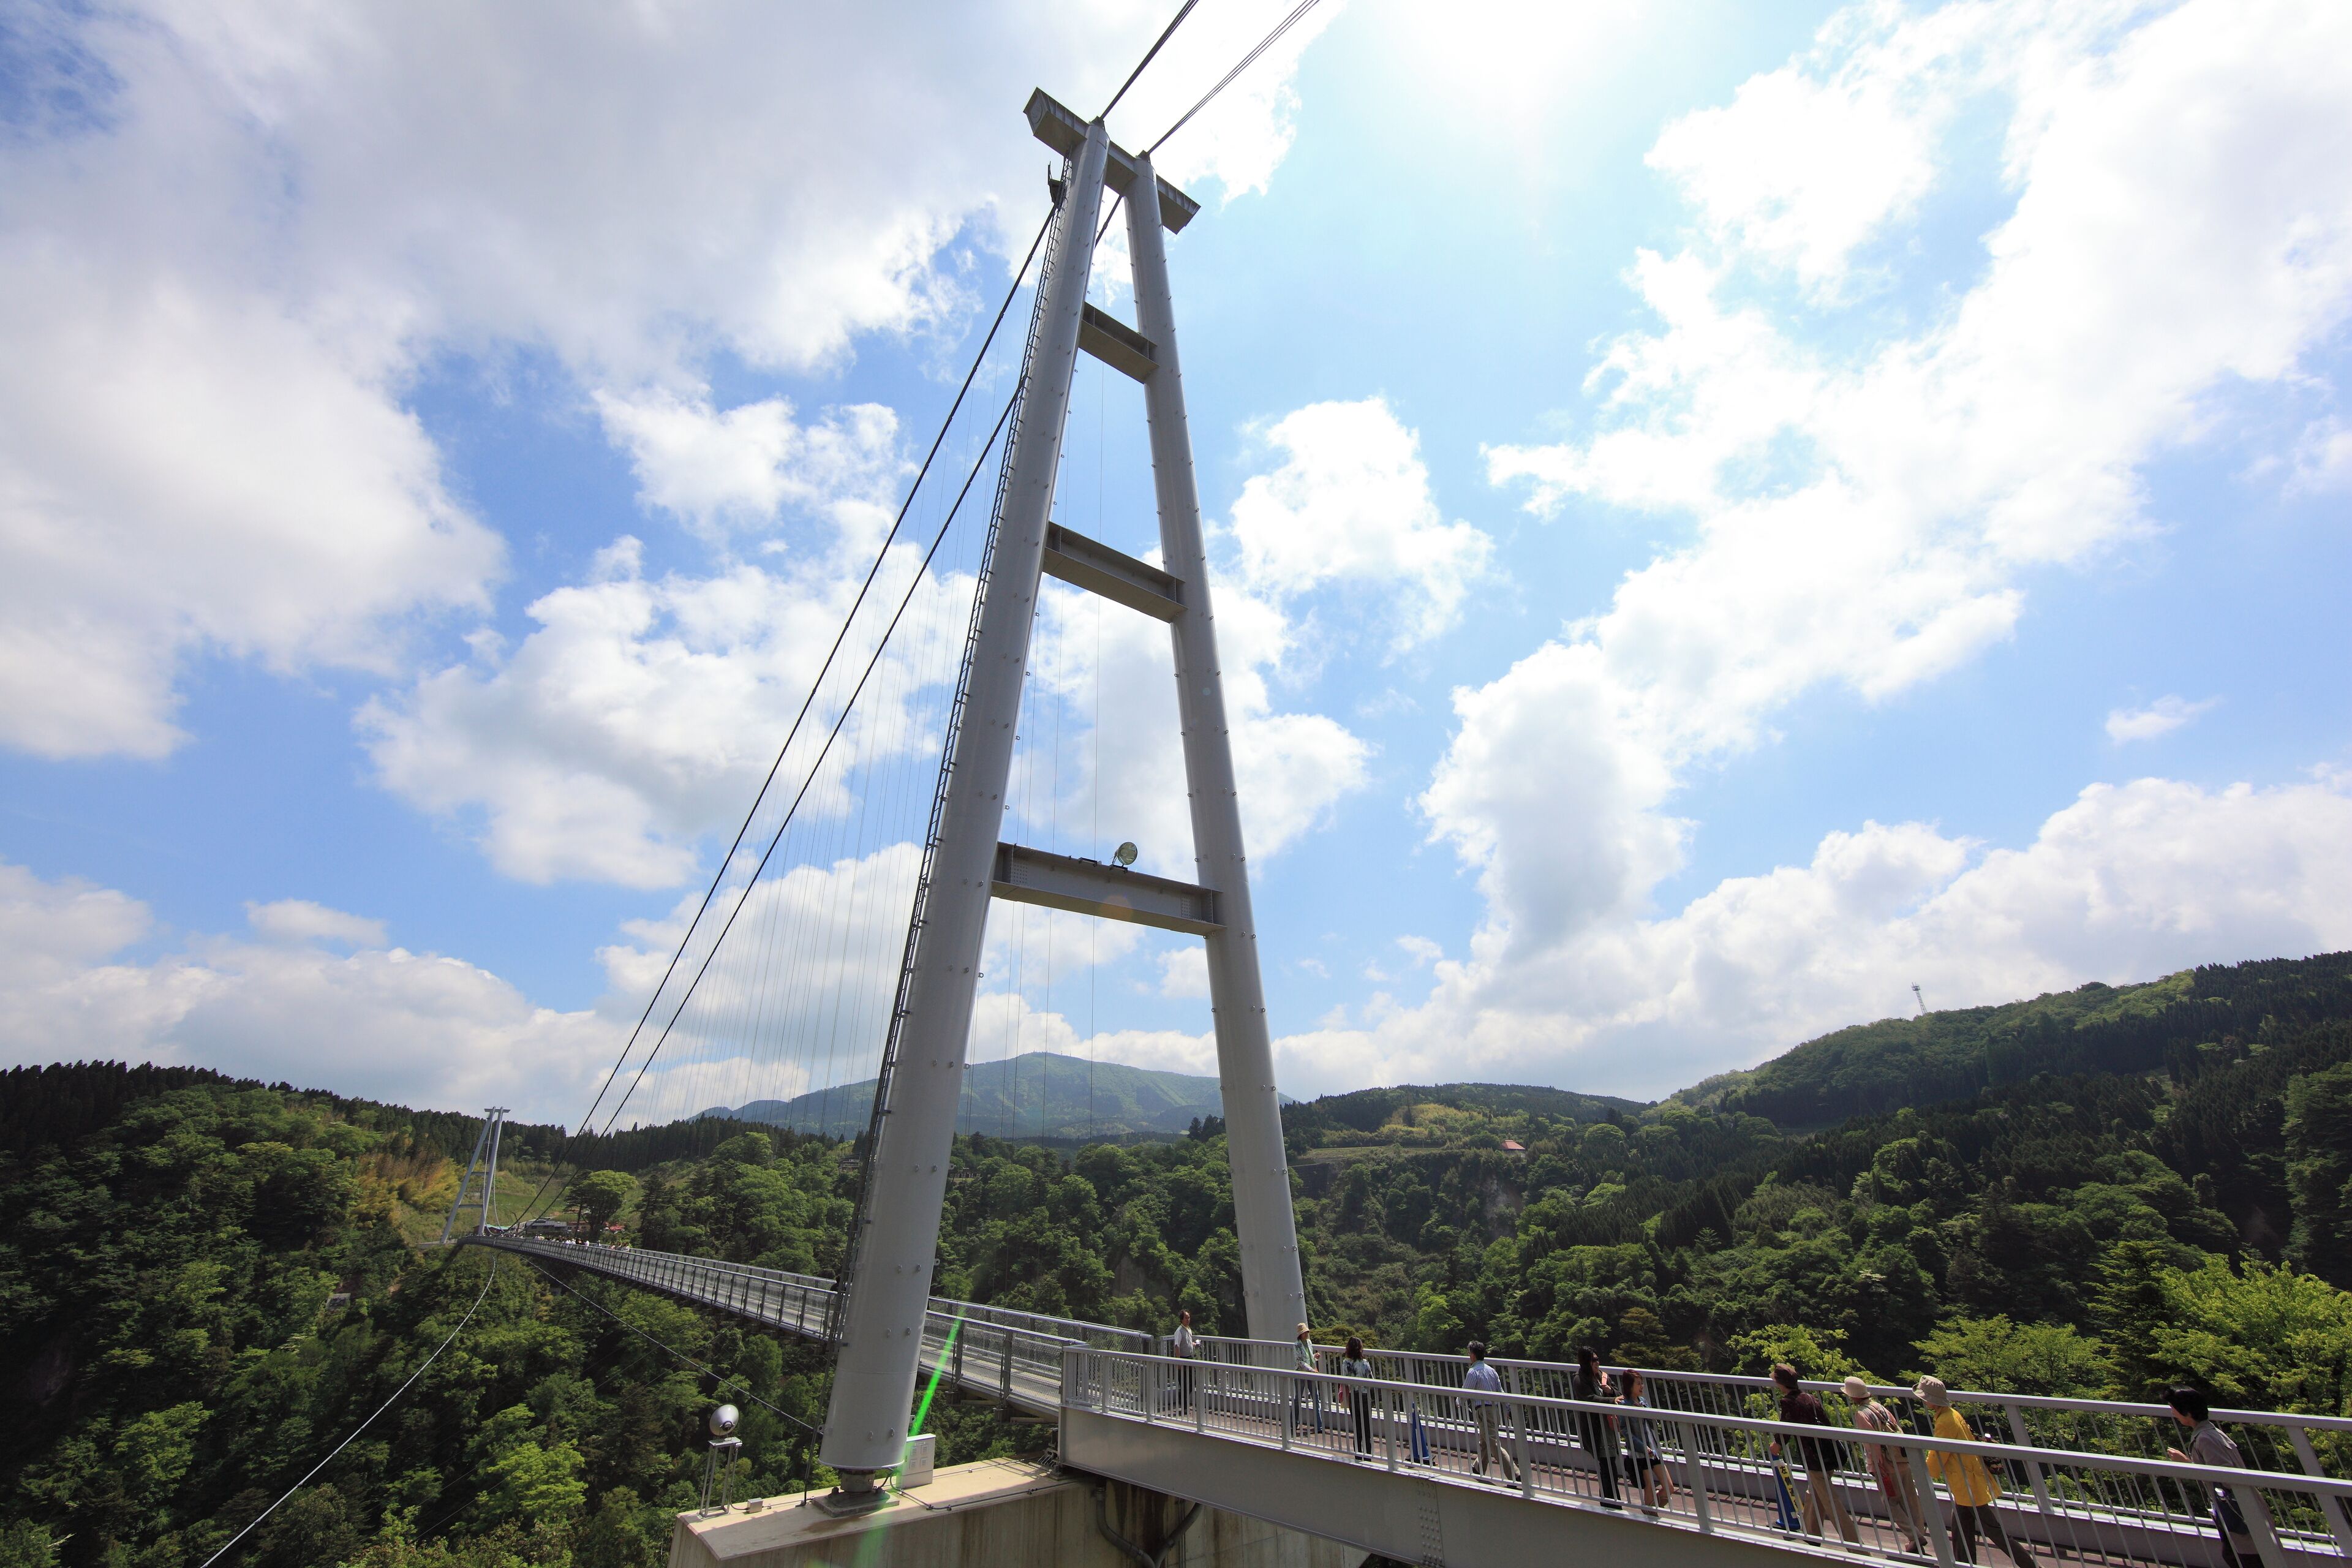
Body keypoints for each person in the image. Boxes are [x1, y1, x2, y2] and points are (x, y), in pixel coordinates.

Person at [1917, 1376, 2035, 1567]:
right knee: (1961, 1526)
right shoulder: (1951, 1413)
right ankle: (1962, 1563)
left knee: (1993, 1530)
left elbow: (1938, 1453)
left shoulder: (1945, 1421)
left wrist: (1924, 1472)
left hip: (1967, 1483)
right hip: (1967, 1479)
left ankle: (2029, 1565)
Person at [2168, 1386, 2264, 1568]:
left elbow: (2226, 1476)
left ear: (2187, 1412)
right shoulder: (2211, 1433)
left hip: (2238, 1511)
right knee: (2234, 1555)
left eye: (2174, 1409)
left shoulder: (2205, 1438)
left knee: (2243, 1558)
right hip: (2236, 1509)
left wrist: (2186, 1464)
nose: (2173, 1413)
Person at [1771, 1363, 1861, 1545]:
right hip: (1830, 1453)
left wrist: (1777, 1445)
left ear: (1780, 1383)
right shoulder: (1810, 1398)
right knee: (1814, 1493)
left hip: (1815, 1458)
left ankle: (1857, 1547)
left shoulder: (1788, 1402)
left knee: (1831, 1502)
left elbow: (1784, 1429)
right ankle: (1812, 1536)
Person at [1847, 1375, 1926, 1553]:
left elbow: (1872, 1442)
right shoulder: (1879, 1407)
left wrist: (1876, 1465)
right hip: (1901, 1458)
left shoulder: (1861, 1413)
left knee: (1890, 1501)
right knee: (1911, 1499)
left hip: (1886, 1464)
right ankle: (1917, 1537)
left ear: (1853, 1396)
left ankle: (1915, 1536)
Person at [1463, 1341, 1520, 1482]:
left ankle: (1515, 1474)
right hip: (1495, 1411)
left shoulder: (1473, 1372)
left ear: (1474, 1355)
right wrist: (1507, 1408)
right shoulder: (1491, 1371)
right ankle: (1478, 1468)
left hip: (1483, 1411)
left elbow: (1465, 1392)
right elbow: (1500, 1392)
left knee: (1493, 1443)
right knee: (1485, 1441)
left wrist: (1458, 1402)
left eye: (1470, 1353)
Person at [1572, 1346, 1623, 1506]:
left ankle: (1609, 1501)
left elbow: (1617, 1393)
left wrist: (1610, 1392)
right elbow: (1589, 1399)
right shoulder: (1579, 1379)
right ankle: (1611, 1502)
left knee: (1610, 1465)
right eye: (1593, 1360)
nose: (1597, 1363)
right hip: (1595, 1429)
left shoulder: (1603, 1377)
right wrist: (1611, 1400)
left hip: (1607, 1428)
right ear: (1586, 1362)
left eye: (1598, 1360)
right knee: (1607, 1466)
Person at [1619, 1369, 1675, 1513]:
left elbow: (1652, 1422)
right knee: (1649, 1486)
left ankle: (1649, 1511)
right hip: (1640, 1452)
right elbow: (1625, 1431)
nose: (1641, 1386)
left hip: (1653, 1450)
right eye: (1638, 1384)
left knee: (1669, 1488)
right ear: (1629, 1386)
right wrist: (1642, 1446)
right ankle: (1651, 1514)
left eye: (1642, 1383)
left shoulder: (1643, 1401)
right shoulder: (1624, 1405)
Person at [1339, 1336, 1377, 1458]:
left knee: (1357, 1429)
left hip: (1353, 1397)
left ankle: (1358, 1456)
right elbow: (1371, 1380)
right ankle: (1368, 1457)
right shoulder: (1365, 1363)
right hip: (1365, 1397)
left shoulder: (1346, 1363)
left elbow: (1345, 1380)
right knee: (1367, 1430)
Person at [1291, 1322, 1328, 1436]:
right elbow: (1300, 1362)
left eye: (1307, 1332)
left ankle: (1319, 1426)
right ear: (1300, 1334)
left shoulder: (1309, 1343)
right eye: (1305, 1332)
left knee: (1316, 1398)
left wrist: (1314, 1357)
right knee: (1298, 1399)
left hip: (1311, 1373)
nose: (1307, 1334)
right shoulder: (1296, 1345)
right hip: (1301, 1374)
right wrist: (1312, 1370)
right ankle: (1294, 1423)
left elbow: (1307, 1358)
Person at [1169, 1309, 1197, 1412]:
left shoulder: (1188, 1329)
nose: (1188, 1319)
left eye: (1189, 1317)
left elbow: (1188, 1342)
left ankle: (1184, 1403)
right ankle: (1185, 1407)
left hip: (1190, 1358)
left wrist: (1194, 1344)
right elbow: (1177, 1346)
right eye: (1186, 1318)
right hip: (1183, 1359)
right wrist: (1179, 1361)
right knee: (1184, 1383)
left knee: (1192, 1382)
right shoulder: (1179, 1331)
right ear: (1181, 1319)